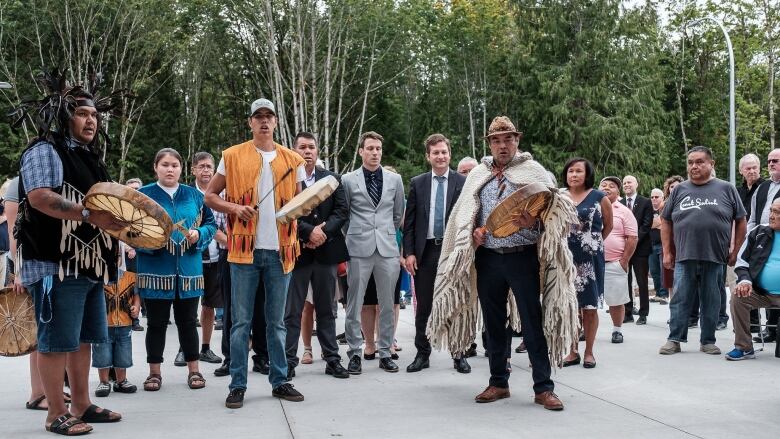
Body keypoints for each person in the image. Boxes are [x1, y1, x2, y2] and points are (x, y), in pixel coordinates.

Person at [427, 116, 578, 410]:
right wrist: (473, 235)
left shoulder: (534, 172)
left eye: (508, 139)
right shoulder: (477, 174)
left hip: (523, 257)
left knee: (532, 322)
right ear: (490, 144)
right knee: (494, 324)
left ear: (517, 141)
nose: (502, 145)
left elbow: (553, 217)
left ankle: (544, 388)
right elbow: (465, 214)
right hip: (488, 259)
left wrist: (532, 223)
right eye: (496, 140)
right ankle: (498, 382)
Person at [14, 77, 126, 434]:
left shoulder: (88, 156)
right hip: (54, 264)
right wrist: (90, 216)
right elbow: (40, 197)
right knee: (57, 340)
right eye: (81, 113)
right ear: (64, 117)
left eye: (94, 115)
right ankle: (54, 413)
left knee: (83, 338)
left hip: (88, 265)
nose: (91, 121)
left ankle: (81, 404)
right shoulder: (46, 150)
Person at [205, 98, 307, 408]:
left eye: (269, 116)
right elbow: (210, 196)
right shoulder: (232, 156)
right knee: (240, 323)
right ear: (250, 122)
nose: (264, 121)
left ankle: (280, 380)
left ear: (276, 121)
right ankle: (238, 384)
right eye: (258, 116)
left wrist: (301, 209)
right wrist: (236, 207)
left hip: (281, 253)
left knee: (276, 323)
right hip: (243, 253)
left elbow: (301, 204)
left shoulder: (293, 160)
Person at [136, 148, 216, 392]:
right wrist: (152, 243)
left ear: (182, 169)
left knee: (188, 322)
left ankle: (194, 370)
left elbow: (211, 224)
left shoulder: (194, 196)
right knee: (157, 323)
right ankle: (154, 373)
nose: (170, 169)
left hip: (189, 270)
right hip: (155, 270)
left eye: (174, 165)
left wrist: (199, 234)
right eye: (165, 165)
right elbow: (129, 229)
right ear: (156, 167)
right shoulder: (142, 195)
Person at [659, 146, 747, 355]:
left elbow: (741, 220)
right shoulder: (680, 190)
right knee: (680, 298)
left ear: (711, 164)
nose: (694, 166)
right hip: (684, 255)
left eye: (699, 162)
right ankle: (675, 339)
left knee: (712, 299)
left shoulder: (726, 188)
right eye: (690, 163)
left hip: (715, 256)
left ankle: (708, 340)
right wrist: (668, 252)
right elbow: (665, 220)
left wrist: (735, 250)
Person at [284, 132, 350, 379]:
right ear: (294, 151)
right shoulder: (285, 179)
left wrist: (322, 232)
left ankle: (332, 359)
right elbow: (282, 212)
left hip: (326, 251)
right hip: (298, 253)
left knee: (327, 310)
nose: (307, 151)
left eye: (311, 147)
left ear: (317, 151)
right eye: (302, 147)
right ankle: (288, 361)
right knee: (292, 311)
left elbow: (342, 211)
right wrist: (308, 232)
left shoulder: (332, 179)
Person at [340, 131, 405, 375]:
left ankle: (386, 352)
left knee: (388, 304)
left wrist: (387, 233)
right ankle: (355, 353)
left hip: (387, 248)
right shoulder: (348, 180)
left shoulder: (394, 180)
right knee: (354, 303)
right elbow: (344, 215)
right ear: (361, 151)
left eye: (378, 148)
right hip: (358, 247)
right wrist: (356, 234)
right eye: (370, 148)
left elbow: (398, 214)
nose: (375, 152)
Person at [403, 133, 469, 373]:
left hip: (453, 252)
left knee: (456, 303)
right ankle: (423, 353)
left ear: (449, 154)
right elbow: (409, 223)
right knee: (425, 306)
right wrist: (409, 252)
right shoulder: (418, 183)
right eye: (435, 153)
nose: (440, 156)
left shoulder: (462, 182)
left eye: (444, 152)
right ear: (428, 156)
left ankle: (459, 352)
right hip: (427, 251)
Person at [560, 158, 612, 368]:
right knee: (570, 306)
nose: (574, 175)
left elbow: (608, 225)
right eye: (570, 171)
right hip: (565, 258)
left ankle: (589, 352)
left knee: (589, 307)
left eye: (578, 171)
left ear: (587, 174)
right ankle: (572, 351)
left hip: (590, 259)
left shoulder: (600, 197)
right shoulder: (560, 195)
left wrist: (592, 243)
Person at [726, 198, 780, 360]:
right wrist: (745, 280)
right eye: (771, 210)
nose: (771, 216)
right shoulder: (759, 232)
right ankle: (744, 347)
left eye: (777, 212)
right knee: (738, 296)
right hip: (760, 292)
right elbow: (742, 262)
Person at [187, 151, 225, 365]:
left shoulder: (221, 193)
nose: (205, 170)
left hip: (215, 258)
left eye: (209, 167)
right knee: (189, 306)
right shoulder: (186, 194)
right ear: (193, 169)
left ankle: (205, 347)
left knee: (210, 305)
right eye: (201, 166)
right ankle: (186, 348)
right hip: (192, 256)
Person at [746, 149, 780, 342]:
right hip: (760, 242)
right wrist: (750, 238)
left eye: (775, 161)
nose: (770, 164)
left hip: (779, 241)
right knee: (762, 281)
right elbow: (752, 217)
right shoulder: (762, 187)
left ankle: (776, 329)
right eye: (768, 161)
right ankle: (769, 329)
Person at [91, 263, 141, 397]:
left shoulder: (131, 277)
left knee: (123, 353)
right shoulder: (97, 276)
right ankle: (104, 381)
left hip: (125, 323)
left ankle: (121, 381)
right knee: (102, 353)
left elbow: (136, 295)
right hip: (103, 324)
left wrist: (136, 307)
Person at [600, 177, 637, 344]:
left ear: (618, 192)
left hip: (614, 263)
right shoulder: (591, 207)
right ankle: (584, 330)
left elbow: (632, 237)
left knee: (616, 300)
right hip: (590, 263)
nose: (607, 188)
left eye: (612, 186)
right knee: (586, 302)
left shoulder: (624, 211)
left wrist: (624, 261)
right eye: (604, 185)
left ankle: (617, 330)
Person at [621, 175, 653, 324]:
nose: (627, 185)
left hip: (640, 249)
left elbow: (646, 225)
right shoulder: (619, 203)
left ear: (636, 184)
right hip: (623, 250)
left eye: (629, 182)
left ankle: (643, 313)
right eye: (624, 183)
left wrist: (633, 241)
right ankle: (627, 313)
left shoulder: (646, 202)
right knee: (625, 282)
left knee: (642, 282)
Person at [648, 188, 669, 304]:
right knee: (654, 271)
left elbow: (661, 223)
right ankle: (657, 293)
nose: (654, 199)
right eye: (652, 197)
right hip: (651, 245)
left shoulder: (664, 209)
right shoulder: (648, 210)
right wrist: (656, 223)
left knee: (663, 270)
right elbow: (646, 224)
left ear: (662, 198)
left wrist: (656, 223)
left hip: (662, 244)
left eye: (656, 197)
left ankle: (664, 294)